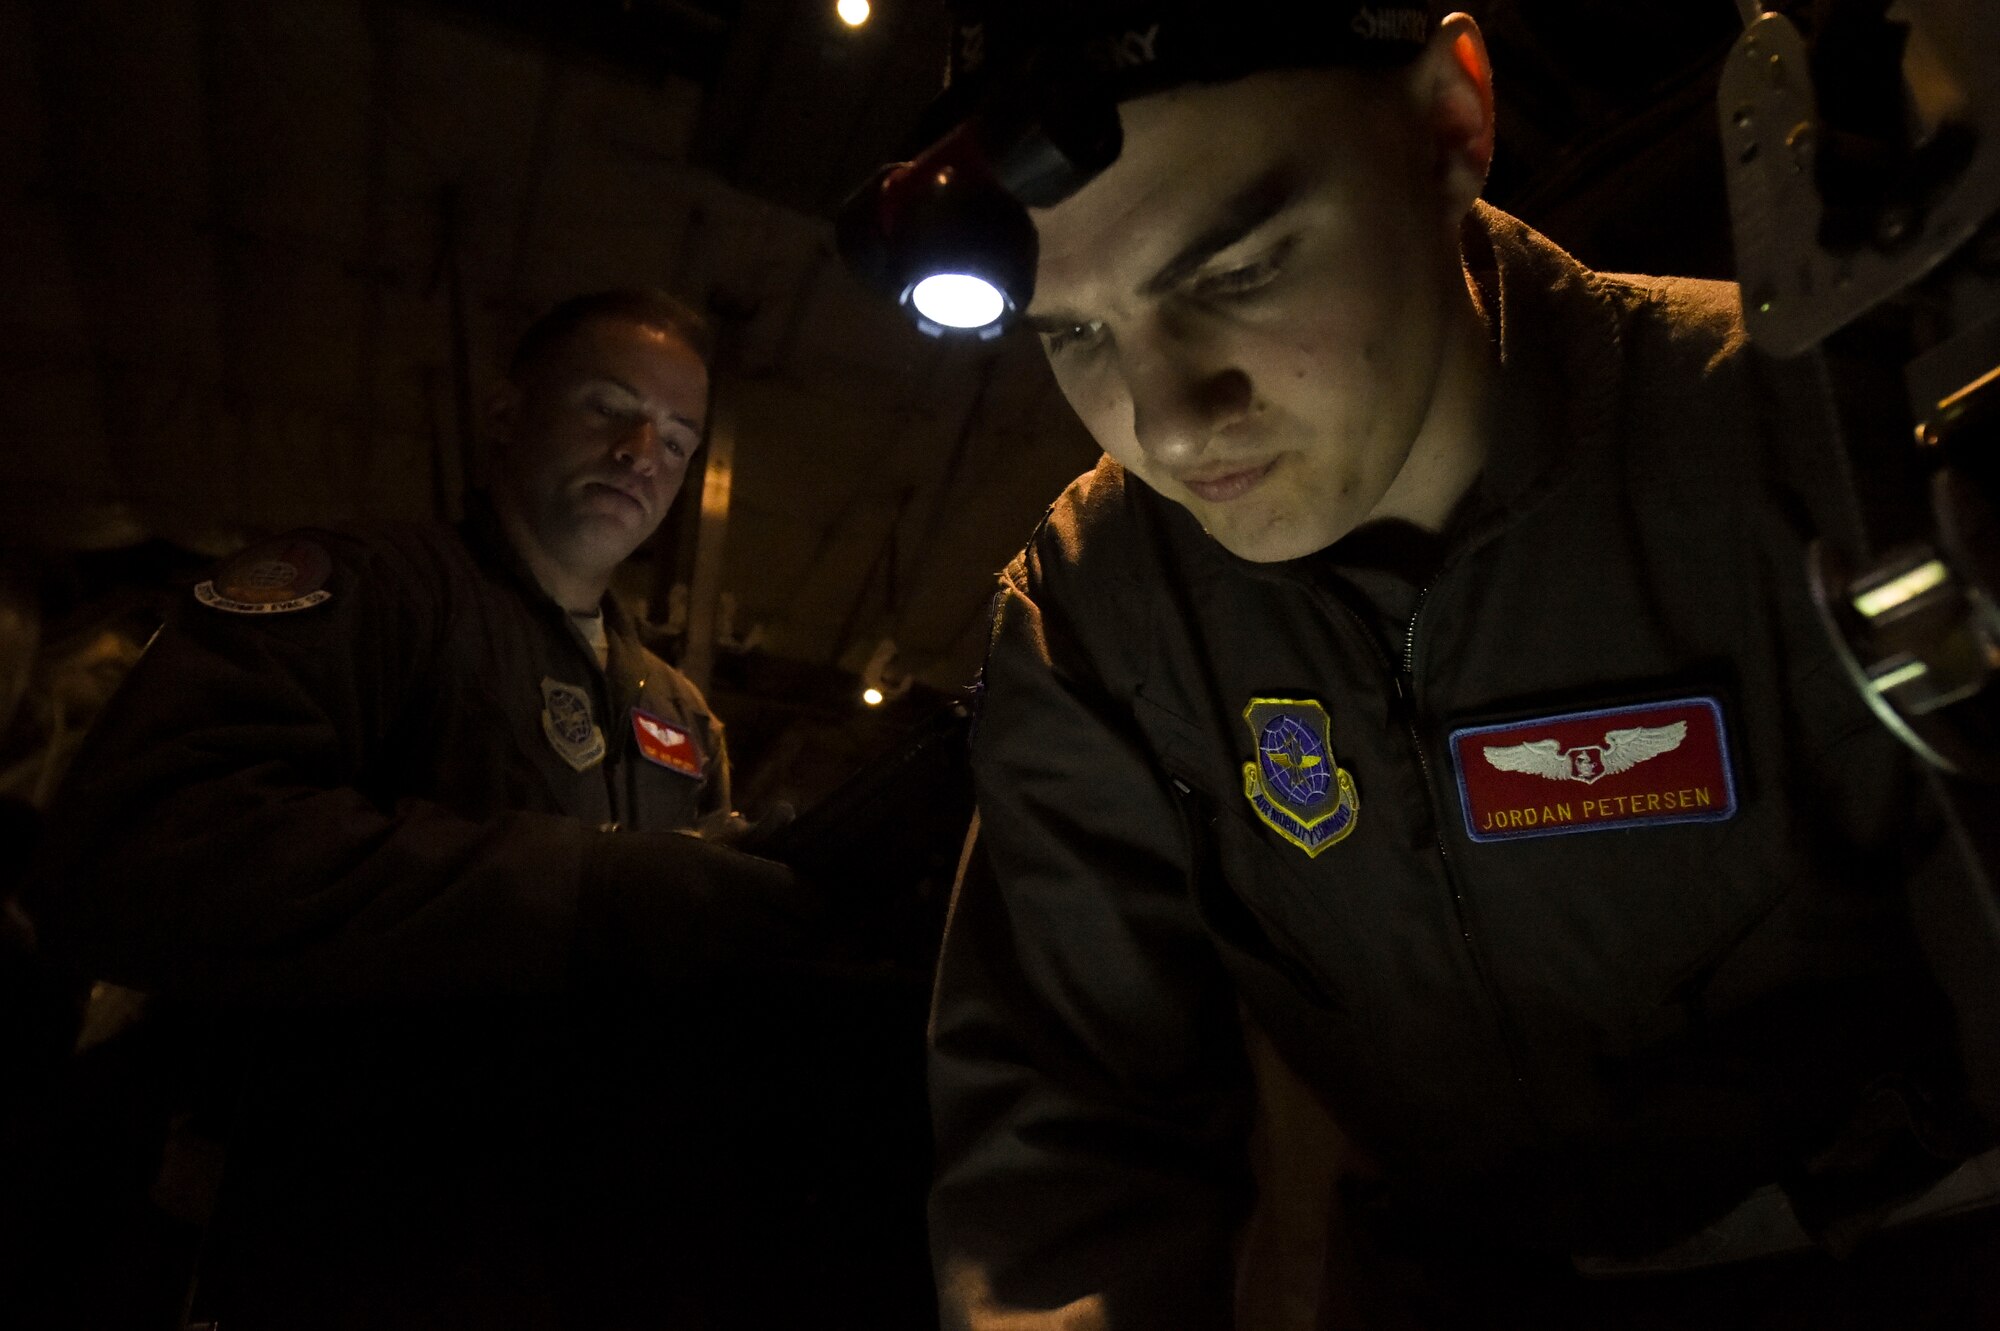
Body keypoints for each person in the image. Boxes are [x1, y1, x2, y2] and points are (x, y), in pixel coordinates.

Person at [885, 4, 2000, 1327]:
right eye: (1072, 331)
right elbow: (1064, 1139)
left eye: (1234, 274)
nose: (1168, 421)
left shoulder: (1812, 428)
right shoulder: (1102, 615)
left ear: (1449, 123)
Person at [22, 289, 841, 1327]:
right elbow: (138, 845)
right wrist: (581, 881)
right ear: (504, 413)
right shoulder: (365, 591)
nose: (644, 451)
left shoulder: (677, 710)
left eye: (678, 438)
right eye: (607, 405)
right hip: (308, 1235)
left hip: (542, 1250)